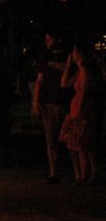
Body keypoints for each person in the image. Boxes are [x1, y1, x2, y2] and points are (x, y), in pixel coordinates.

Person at [59, 38, 101, 185]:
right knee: (79, 145)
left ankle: (94, 174)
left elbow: (84, 91)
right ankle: (85, 175)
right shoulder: (79, 71)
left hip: (83, 109)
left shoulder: (86, 71)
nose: (73, 54)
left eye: (75, 51)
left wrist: (78, 112)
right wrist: (68, 67)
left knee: (87, 144)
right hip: (77, 108)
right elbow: (64, 84)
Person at [33, 32, 73, 182]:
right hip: (48, 102)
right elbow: (39, 81)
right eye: (45, 39)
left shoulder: (69, 57)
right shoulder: (44, 59)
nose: (47, 42)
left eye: (49, 39)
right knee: (51, 140)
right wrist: (36, 101)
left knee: (70, 139)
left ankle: (78, 172)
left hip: (65, 102)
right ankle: (53, 172)